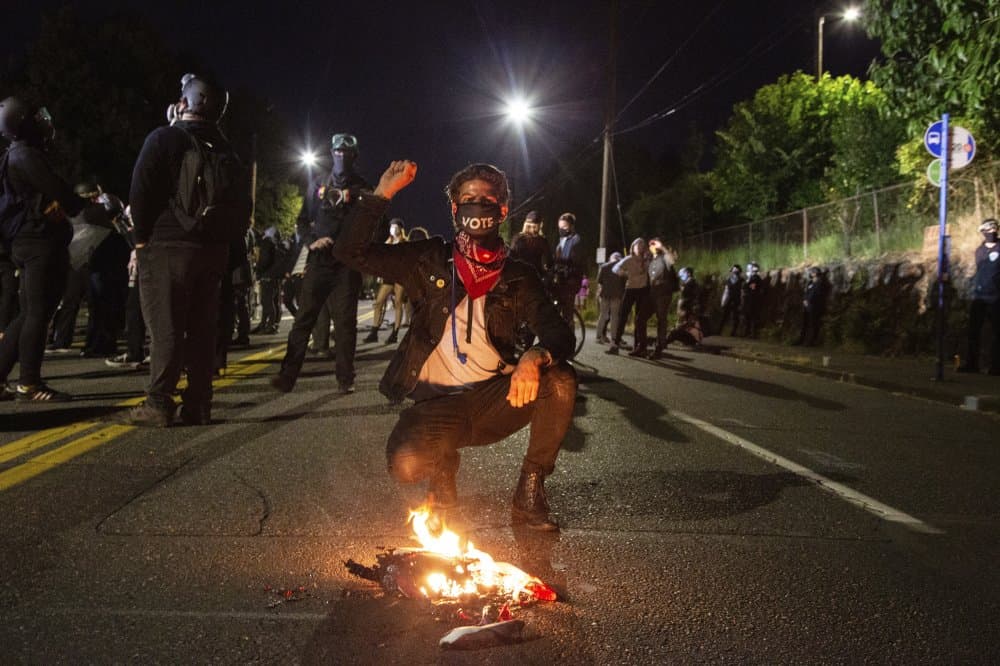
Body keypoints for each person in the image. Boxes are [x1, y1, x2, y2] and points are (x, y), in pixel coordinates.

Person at [333, 160, 577, 531]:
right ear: (454, 209)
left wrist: (536, 354)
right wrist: (381, 195)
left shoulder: (519, 276)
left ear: (503, 210)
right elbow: (350, 252)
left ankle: (530, 491)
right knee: (406, 465)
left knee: (559, 380)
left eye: (487, 199)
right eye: (468, 198)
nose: (477, 206)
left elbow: (559, 332)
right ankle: (442, 467)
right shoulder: (427, 259)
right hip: (436, 404)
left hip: (492, 400)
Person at [127, 73, 251, 426]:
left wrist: (139, 242)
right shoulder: (228, 150)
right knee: (201, 329)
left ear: (184, 103)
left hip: (168, 246)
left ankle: (158, 403)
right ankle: (198, 403)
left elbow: (140, 192)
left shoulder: (164, 138)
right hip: (213, 252)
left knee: (166, 327)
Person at [270, 133, 369, 395]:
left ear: (354, 156)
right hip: (320, 261)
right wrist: (312, 240)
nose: (341, 156)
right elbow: (302, 220)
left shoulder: (363, 188)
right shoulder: (318, 183)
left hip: (346, 264)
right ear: (331, 153)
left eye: (346, 153)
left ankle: (345, 378)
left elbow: (374, 224)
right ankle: (287, 376)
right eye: (337, 152)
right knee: (303, 320)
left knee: (345, 324)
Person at [0, 97, 83, 401]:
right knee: (38, 313)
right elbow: (65, 194)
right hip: (37, 243)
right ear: (21, 123)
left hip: (28, 241)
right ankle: (29, 383)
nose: (45, 121)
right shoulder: (25, 156)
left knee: (28, 313)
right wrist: (72, 201)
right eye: (38, 117)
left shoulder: (16, 154)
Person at [958, 219, 1000, 375]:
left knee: (997, 333)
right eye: (989, 229)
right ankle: (972, 364)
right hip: (980, 297)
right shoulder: (979, 251)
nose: (992, 232)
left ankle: (995, 367)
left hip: (996, 298)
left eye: (994, 229)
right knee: (973, 332)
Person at [363, 218, 406, 344]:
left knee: (398, 303)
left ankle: (395, 333)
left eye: (395, 226)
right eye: (391, 226)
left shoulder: (404, 242)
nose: (393, 228)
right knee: (378, 302)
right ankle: (374, 331)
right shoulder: (389, 242)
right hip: (388, 276)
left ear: (400, 228)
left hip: (399, 276)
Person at [608, 238, 651, 357]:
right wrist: (624, 274)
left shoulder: (646, 260)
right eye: (638, 246)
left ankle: (638, 346)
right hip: (630, 289)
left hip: (643, 290)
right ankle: (615, 344)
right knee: (622, 316)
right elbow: (615, 268)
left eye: (642, 245)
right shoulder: (628, 259)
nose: (640, 248)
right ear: (633, 247)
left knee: (639, 318)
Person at [551, 212, 585, 323]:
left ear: (571, 226)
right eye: (559, 227)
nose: (561, 229)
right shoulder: (561, 241)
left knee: (567, 313)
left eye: (564, 227)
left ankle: (569, 338)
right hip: (561, 279)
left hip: (571, 281)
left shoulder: (576, 240)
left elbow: (575, 262)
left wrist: (562, 264)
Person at [660, 266, 703, 353]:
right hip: (686, 311)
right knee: (678, 328)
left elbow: (687, 298)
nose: (681, 277)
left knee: (676, 330)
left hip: (686, 310)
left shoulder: (690, 284)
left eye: (682, 274)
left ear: (688, 273)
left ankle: (663, 343)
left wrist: (683, 309)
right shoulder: (690, 283)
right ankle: (664, 341)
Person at [647, 238, 677, 356]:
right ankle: (642, 345)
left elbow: (673, 261)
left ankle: (659, 346)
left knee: (661, 319)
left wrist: (663, 247)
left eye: (656, 244)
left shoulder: (664, 257)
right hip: (651, 293)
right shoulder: (650, 260)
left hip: (663, 294)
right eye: (652, 244)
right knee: (641, 318)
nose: (654, 246)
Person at [254, 226, 283, 334]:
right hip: (274, 276)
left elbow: (264, 260)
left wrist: (259, 270)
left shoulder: (267, 242)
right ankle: (267, 324)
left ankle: (269, 325)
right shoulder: (275, 243)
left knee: (267, 301)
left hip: (267, 276)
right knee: (272, 301)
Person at [509, 210, 552, 280]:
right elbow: (549, 261)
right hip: (536, 277)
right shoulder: (542, 240)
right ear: (540, 225)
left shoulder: (517, 238)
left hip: (519, 277)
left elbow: (511, 256)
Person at [594, 251, 624, 344]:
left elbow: (599, 280)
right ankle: (613, 339)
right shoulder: (621, 268)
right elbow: (624, 282)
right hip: (616, 295)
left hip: (605, 294)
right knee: (614, 317)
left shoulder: (604, 267)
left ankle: (598, 337)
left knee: (602, 316)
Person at [792, 266, 826, 347]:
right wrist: (805, 300)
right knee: (804, 324)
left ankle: (811, 342)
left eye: (812, 272)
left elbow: (817, 294)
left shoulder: (820, 283)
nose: (811, 274)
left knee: (813, 324)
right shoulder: (811, 283)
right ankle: (801, 339)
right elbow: (806, 292)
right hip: (807, 306)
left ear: (816, 274)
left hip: (814, 306)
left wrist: (809, 300)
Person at [739, 261, 764, 337]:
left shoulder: (754, 278)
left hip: (751, 301)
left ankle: (751, 333)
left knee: (751, 317)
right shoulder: (752, 278)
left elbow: (752, 289)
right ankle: (748, 332)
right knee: (749, 317)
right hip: (750, 300)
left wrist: (746, 287)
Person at [718, 264, 743, 336]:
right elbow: (726, 291)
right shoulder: (729, 279)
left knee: (735, 316)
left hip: (736, 300)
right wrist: (723, 301)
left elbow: (742, 292)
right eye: (733, 270)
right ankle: (719, 330)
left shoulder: (741, 280)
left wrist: (741, 302)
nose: (734, 272)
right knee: (724, 315)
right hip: (729, 300)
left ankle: (733, 332)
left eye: (735, 270)